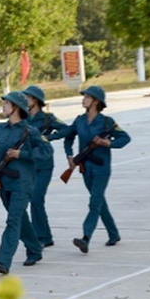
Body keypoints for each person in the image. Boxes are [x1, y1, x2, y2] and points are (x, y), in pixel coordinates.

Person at [0, 91, 50, 275]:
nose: (3, 106)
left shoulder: (30, 132)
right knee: (19, 218)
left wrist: (22, 154)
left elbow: (46, 151)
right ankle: (34, 249)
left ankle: (3, 261)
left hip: (22, 183)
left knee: (13, 220)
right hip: (3, 182)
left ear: (16, 107)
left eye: (7, 103)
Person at [52, 86, 131, 254]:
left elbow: (125, 138)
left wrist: (107, 143)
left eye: (87, 97)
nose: (83, 99)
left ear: (96, 101)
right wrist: (69, 155)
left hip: (102, 168)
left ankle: (86, 237)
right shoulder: (79, 121)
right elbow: (68, 136)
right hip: (85, 168)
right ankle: (114, 233)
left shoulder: (107, 122)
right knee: (99, 201)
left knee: (94, 202)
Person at [23, 85, 68, 248]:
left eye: (27, 98)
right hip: (29, 164)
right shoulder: (24, 118)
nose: (25, 101)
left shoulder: (48, 118)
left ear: (35, 100)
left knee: (36, 198)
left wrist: (49, 137)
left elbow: (67, 129)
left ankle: (41, 236)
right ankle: (45, 236)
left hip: (44, 164)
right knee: (34, 200)